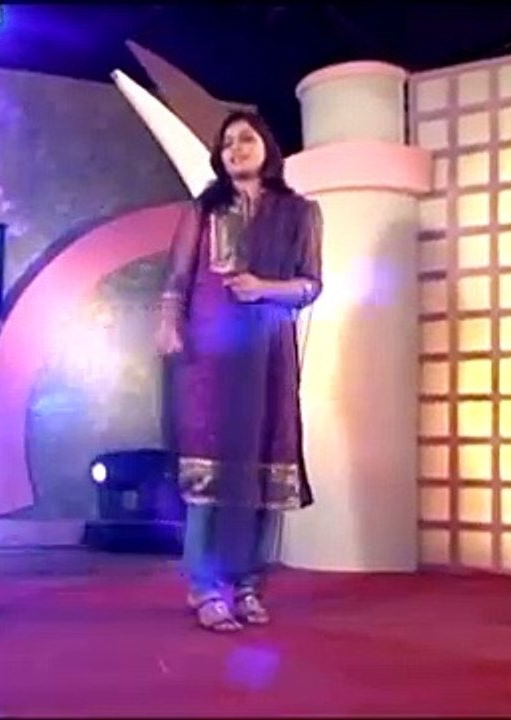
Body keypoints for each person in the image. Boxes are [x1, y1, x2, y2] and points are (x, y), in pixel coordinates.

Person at [155, 109, 323, 632]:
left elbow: (310, 286)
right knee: (209, 466)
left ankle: (248, 585)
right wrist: (169, 324)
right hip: (210, 354)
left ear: (267, 147)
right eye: (226, 143)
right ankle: (204, 586)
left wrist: (264, 288)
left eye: (246, 139)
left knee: (264, 467)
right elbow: (178, 279)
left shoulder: (299, 213)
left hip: (269, 353)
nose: (235, 149)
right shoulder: (203, 211)